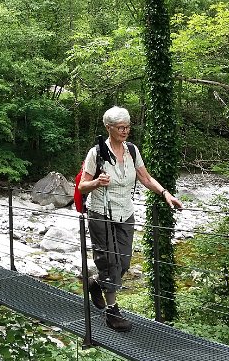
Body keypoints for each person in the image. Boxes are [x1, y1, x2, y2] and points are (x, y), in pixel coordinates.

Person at [77, 106, 183, 332]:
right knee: (109, 261)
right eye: (120, 127)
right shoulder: (96, 153)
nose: (125, 131)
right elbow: (82, 186)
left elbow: (145, 177)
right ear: (109, 128)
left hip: (125, 213)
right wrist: (97, 182)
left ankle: (95, 283)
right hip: (101, 213)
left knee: (123, 262)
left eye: (127, 126)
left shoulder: (132, 151)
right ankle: (112, 311)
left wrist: (165, 194)